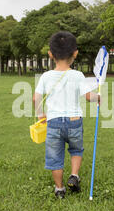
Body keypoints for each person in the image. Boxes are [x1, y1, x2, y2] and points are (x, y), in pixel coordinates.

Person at [33, 31, 99, 199]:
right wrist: (99, 97)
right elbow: (89, 97)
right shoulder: (77, 75)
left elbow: (36, 98)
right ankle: (74, 176)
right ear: (75, 53)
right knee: (76, 149)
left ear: (50, 54)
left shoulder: (46, 76)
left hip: (54, 123)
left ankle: (59, 189)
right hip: (74, 121)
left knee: (55, 156)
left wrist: (41, 115)